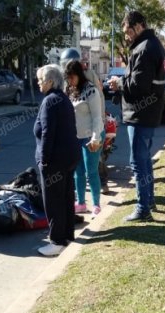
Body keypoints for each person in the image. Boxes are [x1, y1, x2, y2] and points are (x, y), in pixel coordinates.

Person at [108, 10, 165, 222]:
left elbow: (138, 86)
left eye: (128, 31)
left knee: (138, 162)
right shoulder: (151, 44)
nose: (126, 36)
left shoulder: (145, 48)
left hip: (141, 114)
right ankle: (149, 201)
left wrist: (118, 83)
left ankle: (143, 208)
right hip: (146, 114)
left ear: (139, 26)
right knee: (145, 160)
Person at [34, 64, 81, 257]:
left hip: (54, 160)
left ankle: (56, 241)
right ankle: (67, 234)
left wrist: (44, 160)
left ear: (51, 82)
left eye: (40, 80)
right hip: (68, 157)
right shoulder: (63, 99)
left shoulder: (50, 101)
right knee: (66, 198)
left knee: (54, 201)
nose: (38, 83)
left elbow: (47, 132)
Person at [59, 48, 110, 195]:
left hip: (92, 125)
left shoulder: (89, 75)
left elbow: (99, 97)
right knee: (77, 165)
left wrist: (100, 122)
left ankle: (103, 183)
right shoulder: (66, 79)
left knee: (94, 159)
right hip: (75, 129)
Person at [64, 60, 105, 219]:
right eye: (68, 77)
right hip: (75, 137)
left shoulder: (91, 91)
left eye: (72, 77)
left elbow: (97, 117)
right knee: (77, 172)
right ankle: (80, 203)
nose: (70, 80)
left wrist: (95, 138)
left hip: (91, 137)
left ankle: (96, 204)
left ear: (79, 75)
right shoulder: (68, 90)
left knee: (91, 171)